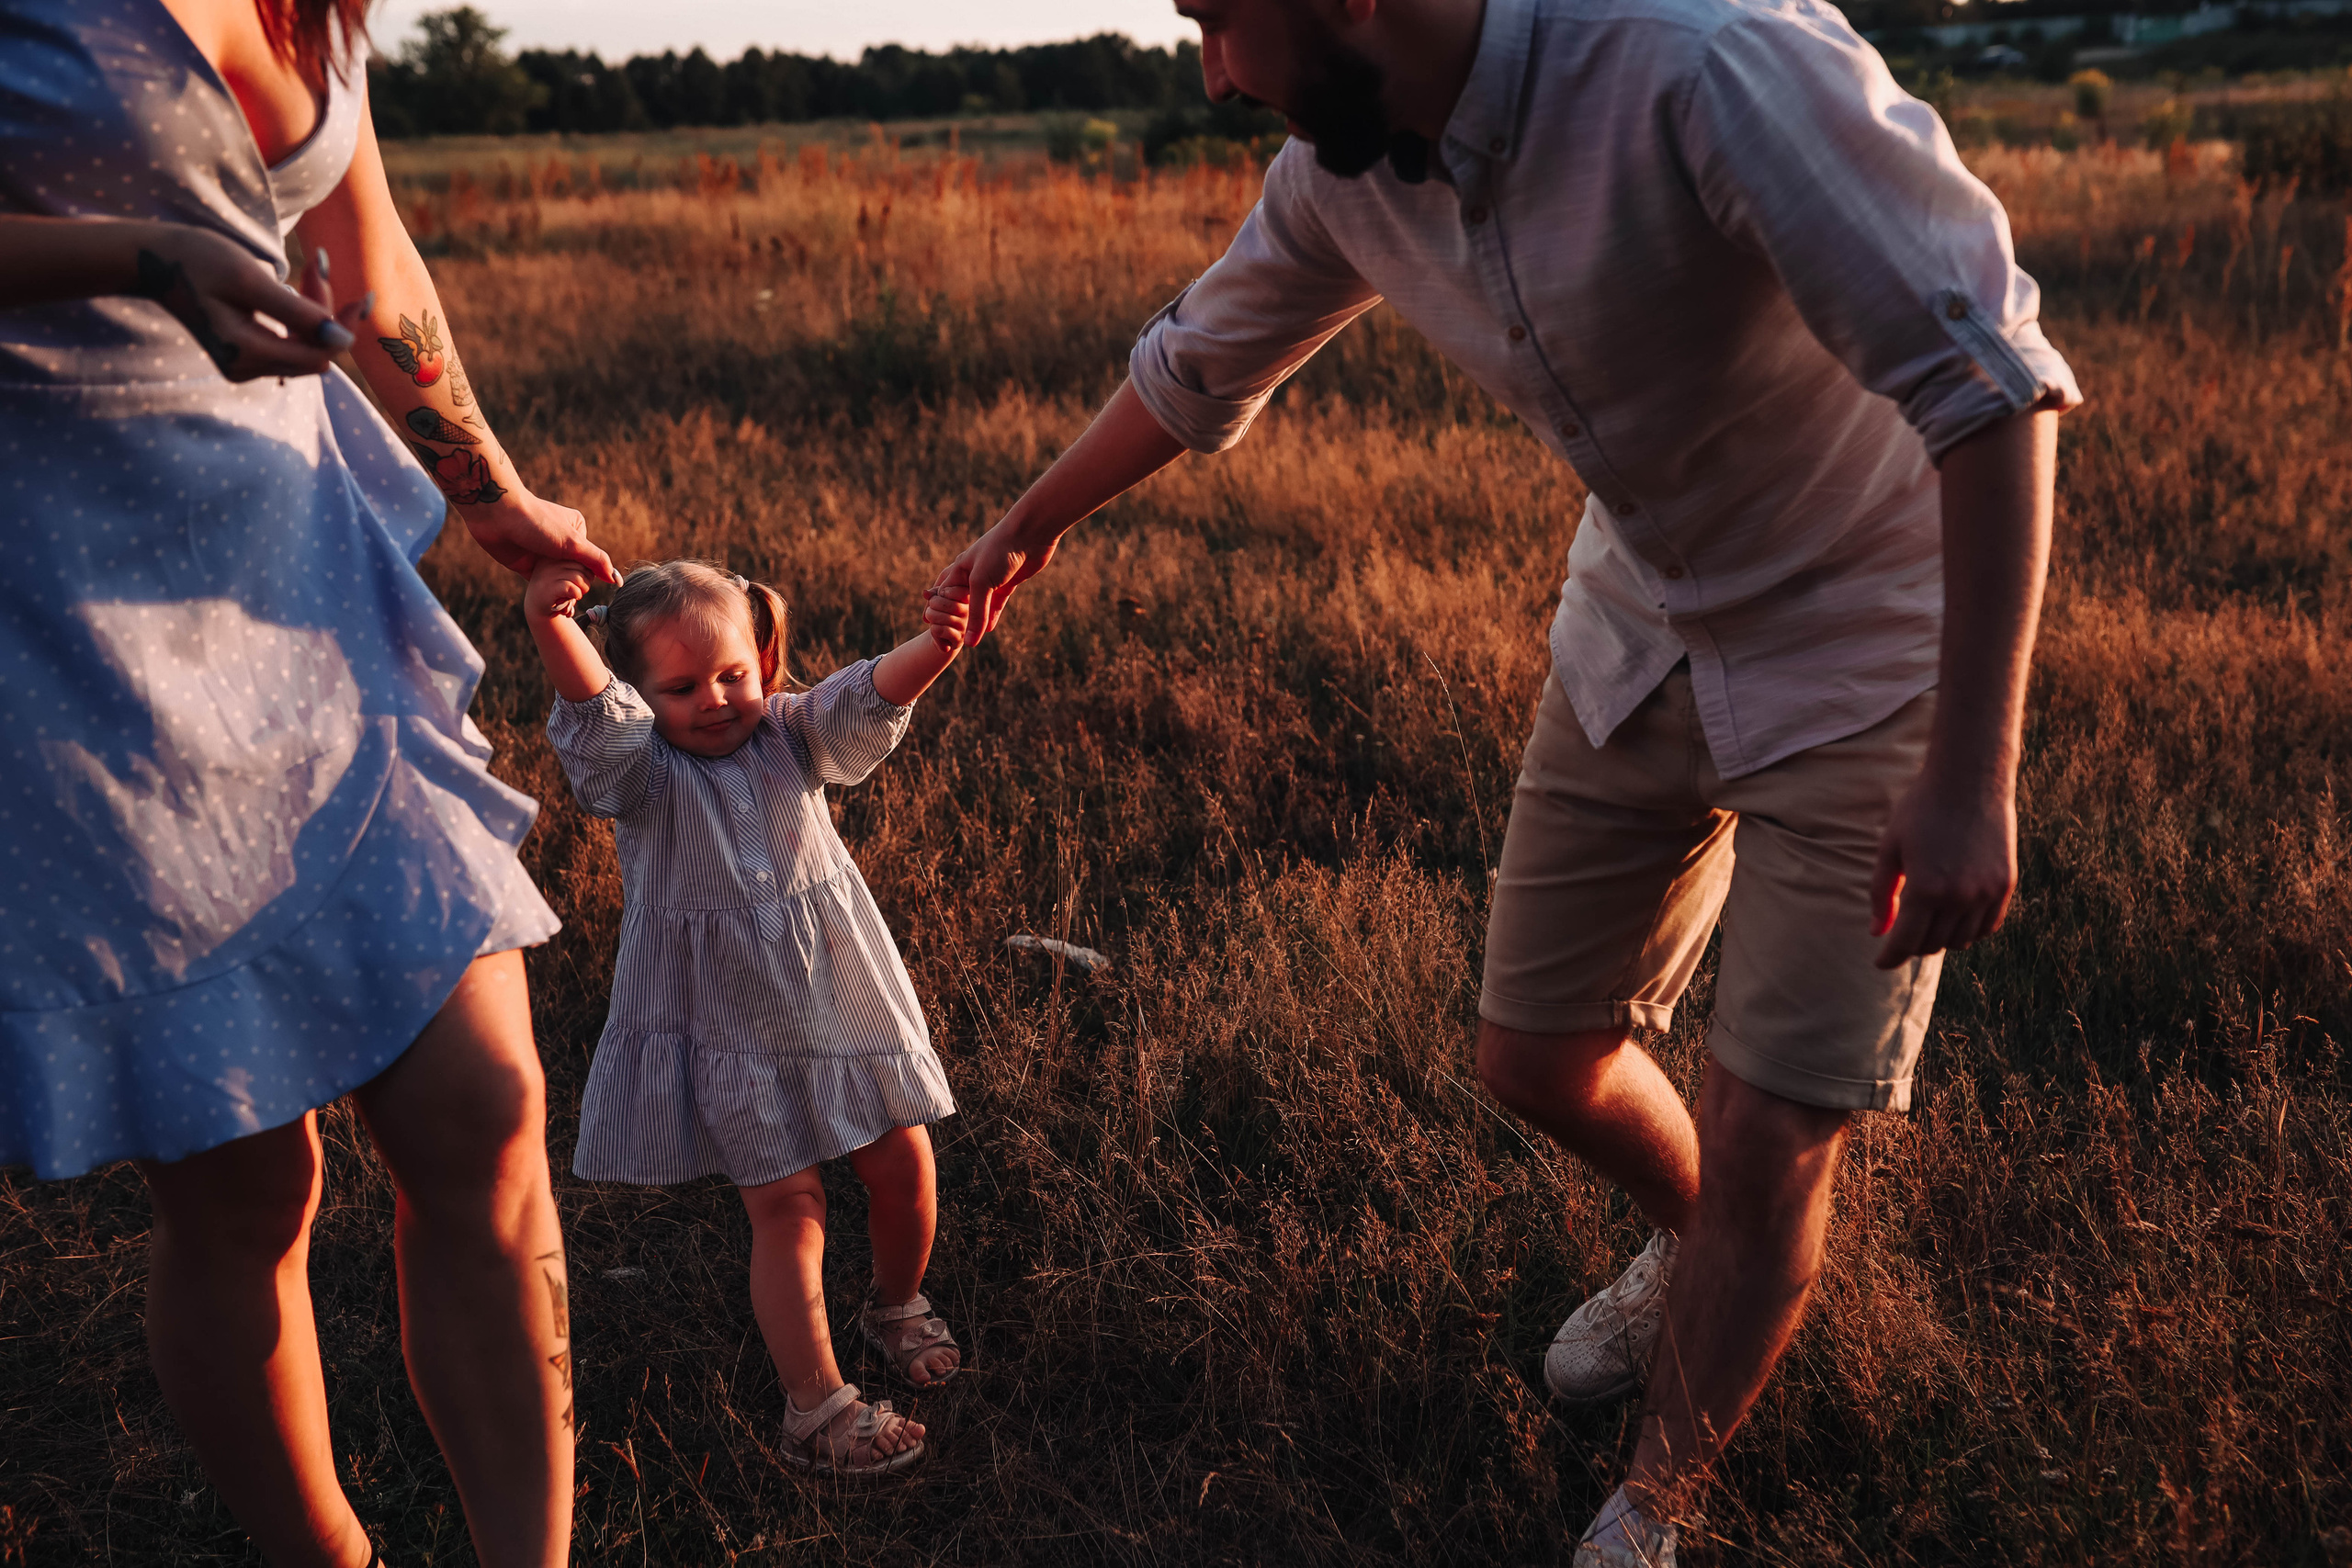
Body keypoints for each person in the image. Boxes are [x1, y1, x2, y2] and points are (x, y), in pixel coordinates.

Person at [937, 0, 2076, 1559]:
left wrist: (1971, 772)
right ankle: (1702, 1250)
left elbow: (1991, 379)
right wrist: (1029, 525)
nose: (1209, 73)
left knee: (1768, 1129)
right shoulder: (1346, 160)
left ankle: (1652, 1505)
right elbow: (1202, 360)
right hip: (1647, 623)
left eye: (1216, 23)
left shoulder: (1705, 60)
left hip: (1871, 647)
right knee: (1537, 1052)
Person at [0, 2, 617, 1562]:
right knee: (243, 1189)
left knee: (486, 1112)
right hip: (75, 625)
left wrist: (490, 493)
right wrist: (137, 254)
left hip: (304, 581)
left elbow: (367, 259)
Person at [526, 557, 970, 1478]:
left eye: (733, 673)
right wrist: (554, 628)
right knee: (789, 1206)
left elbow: (863, 701)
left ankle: (895, 1301)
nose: (718, 700)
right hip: (726, 1027)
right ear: (638, 696)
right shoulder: (642, 775)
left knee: (902, 1161)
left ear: (763, 658)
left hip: (837, 1002)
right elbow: (596, 728)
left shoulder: (791, 733)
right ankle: (815, 1407)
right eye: (680, 687)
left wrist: (936, 644)